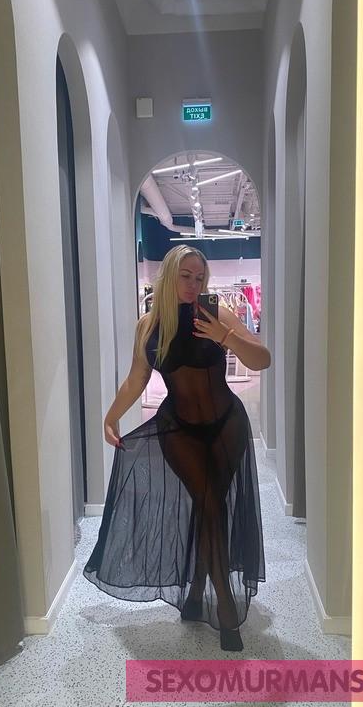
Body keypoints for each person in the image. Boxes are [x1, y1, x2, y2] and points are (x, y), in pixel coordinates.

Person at [83, 245, 270, 651]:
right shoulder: (149, 326)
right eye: (186, 276)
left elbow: (262, 360)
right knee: (209, 502)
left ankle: (196, 590)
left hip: (227, 426)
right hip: (179, 429)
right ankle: (225, 607)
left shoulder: (218, 315)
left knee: (209, 507)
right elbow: (136, 379)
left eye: (200, 278)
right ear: (168, 276)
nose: (193, 284)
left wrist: (225, 336)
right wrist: (111, 416)